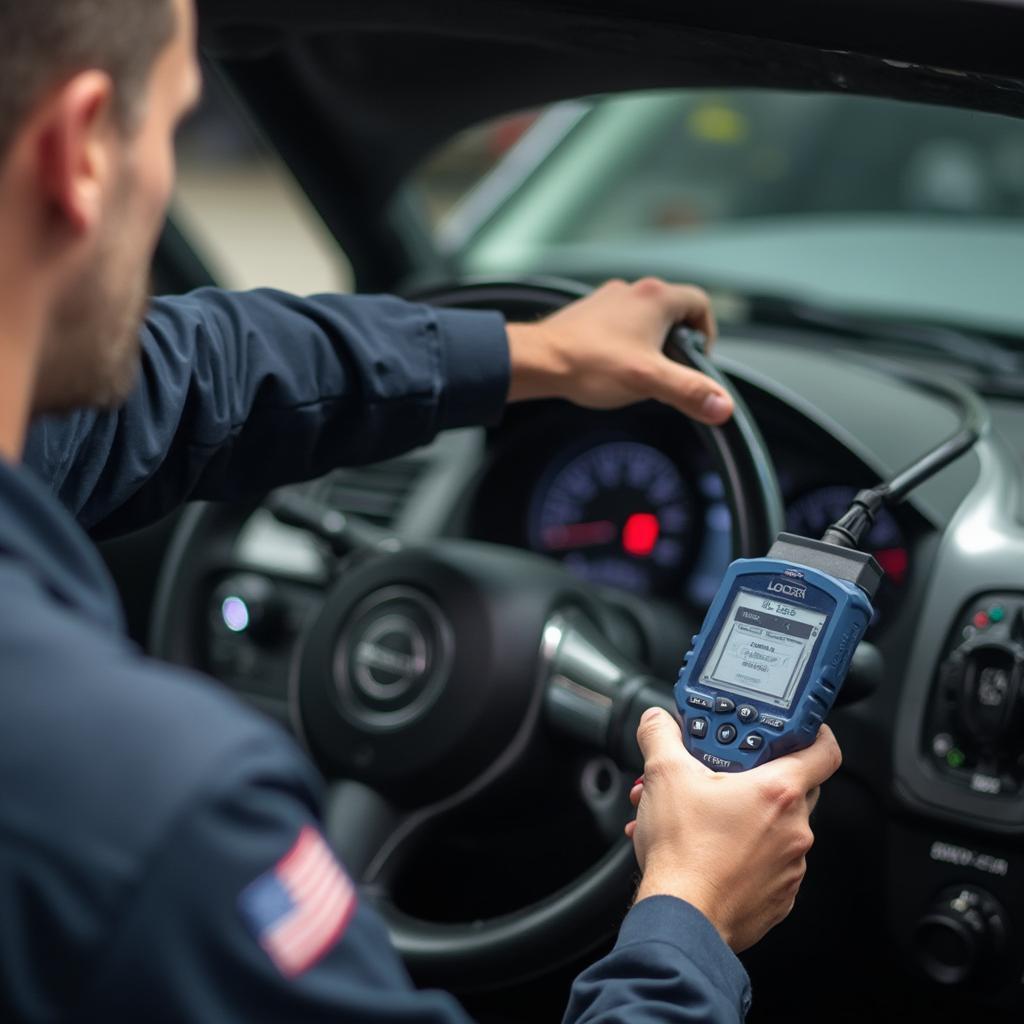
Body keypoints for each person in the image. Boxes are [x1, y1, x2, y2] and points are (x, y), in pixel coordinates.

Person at [0, 1, 842, 1020]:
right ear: (80, 152)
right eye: (172, 125)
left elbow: (185, 374)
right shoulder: (156, 814)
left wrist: (533, 354)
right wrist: (690, 913)